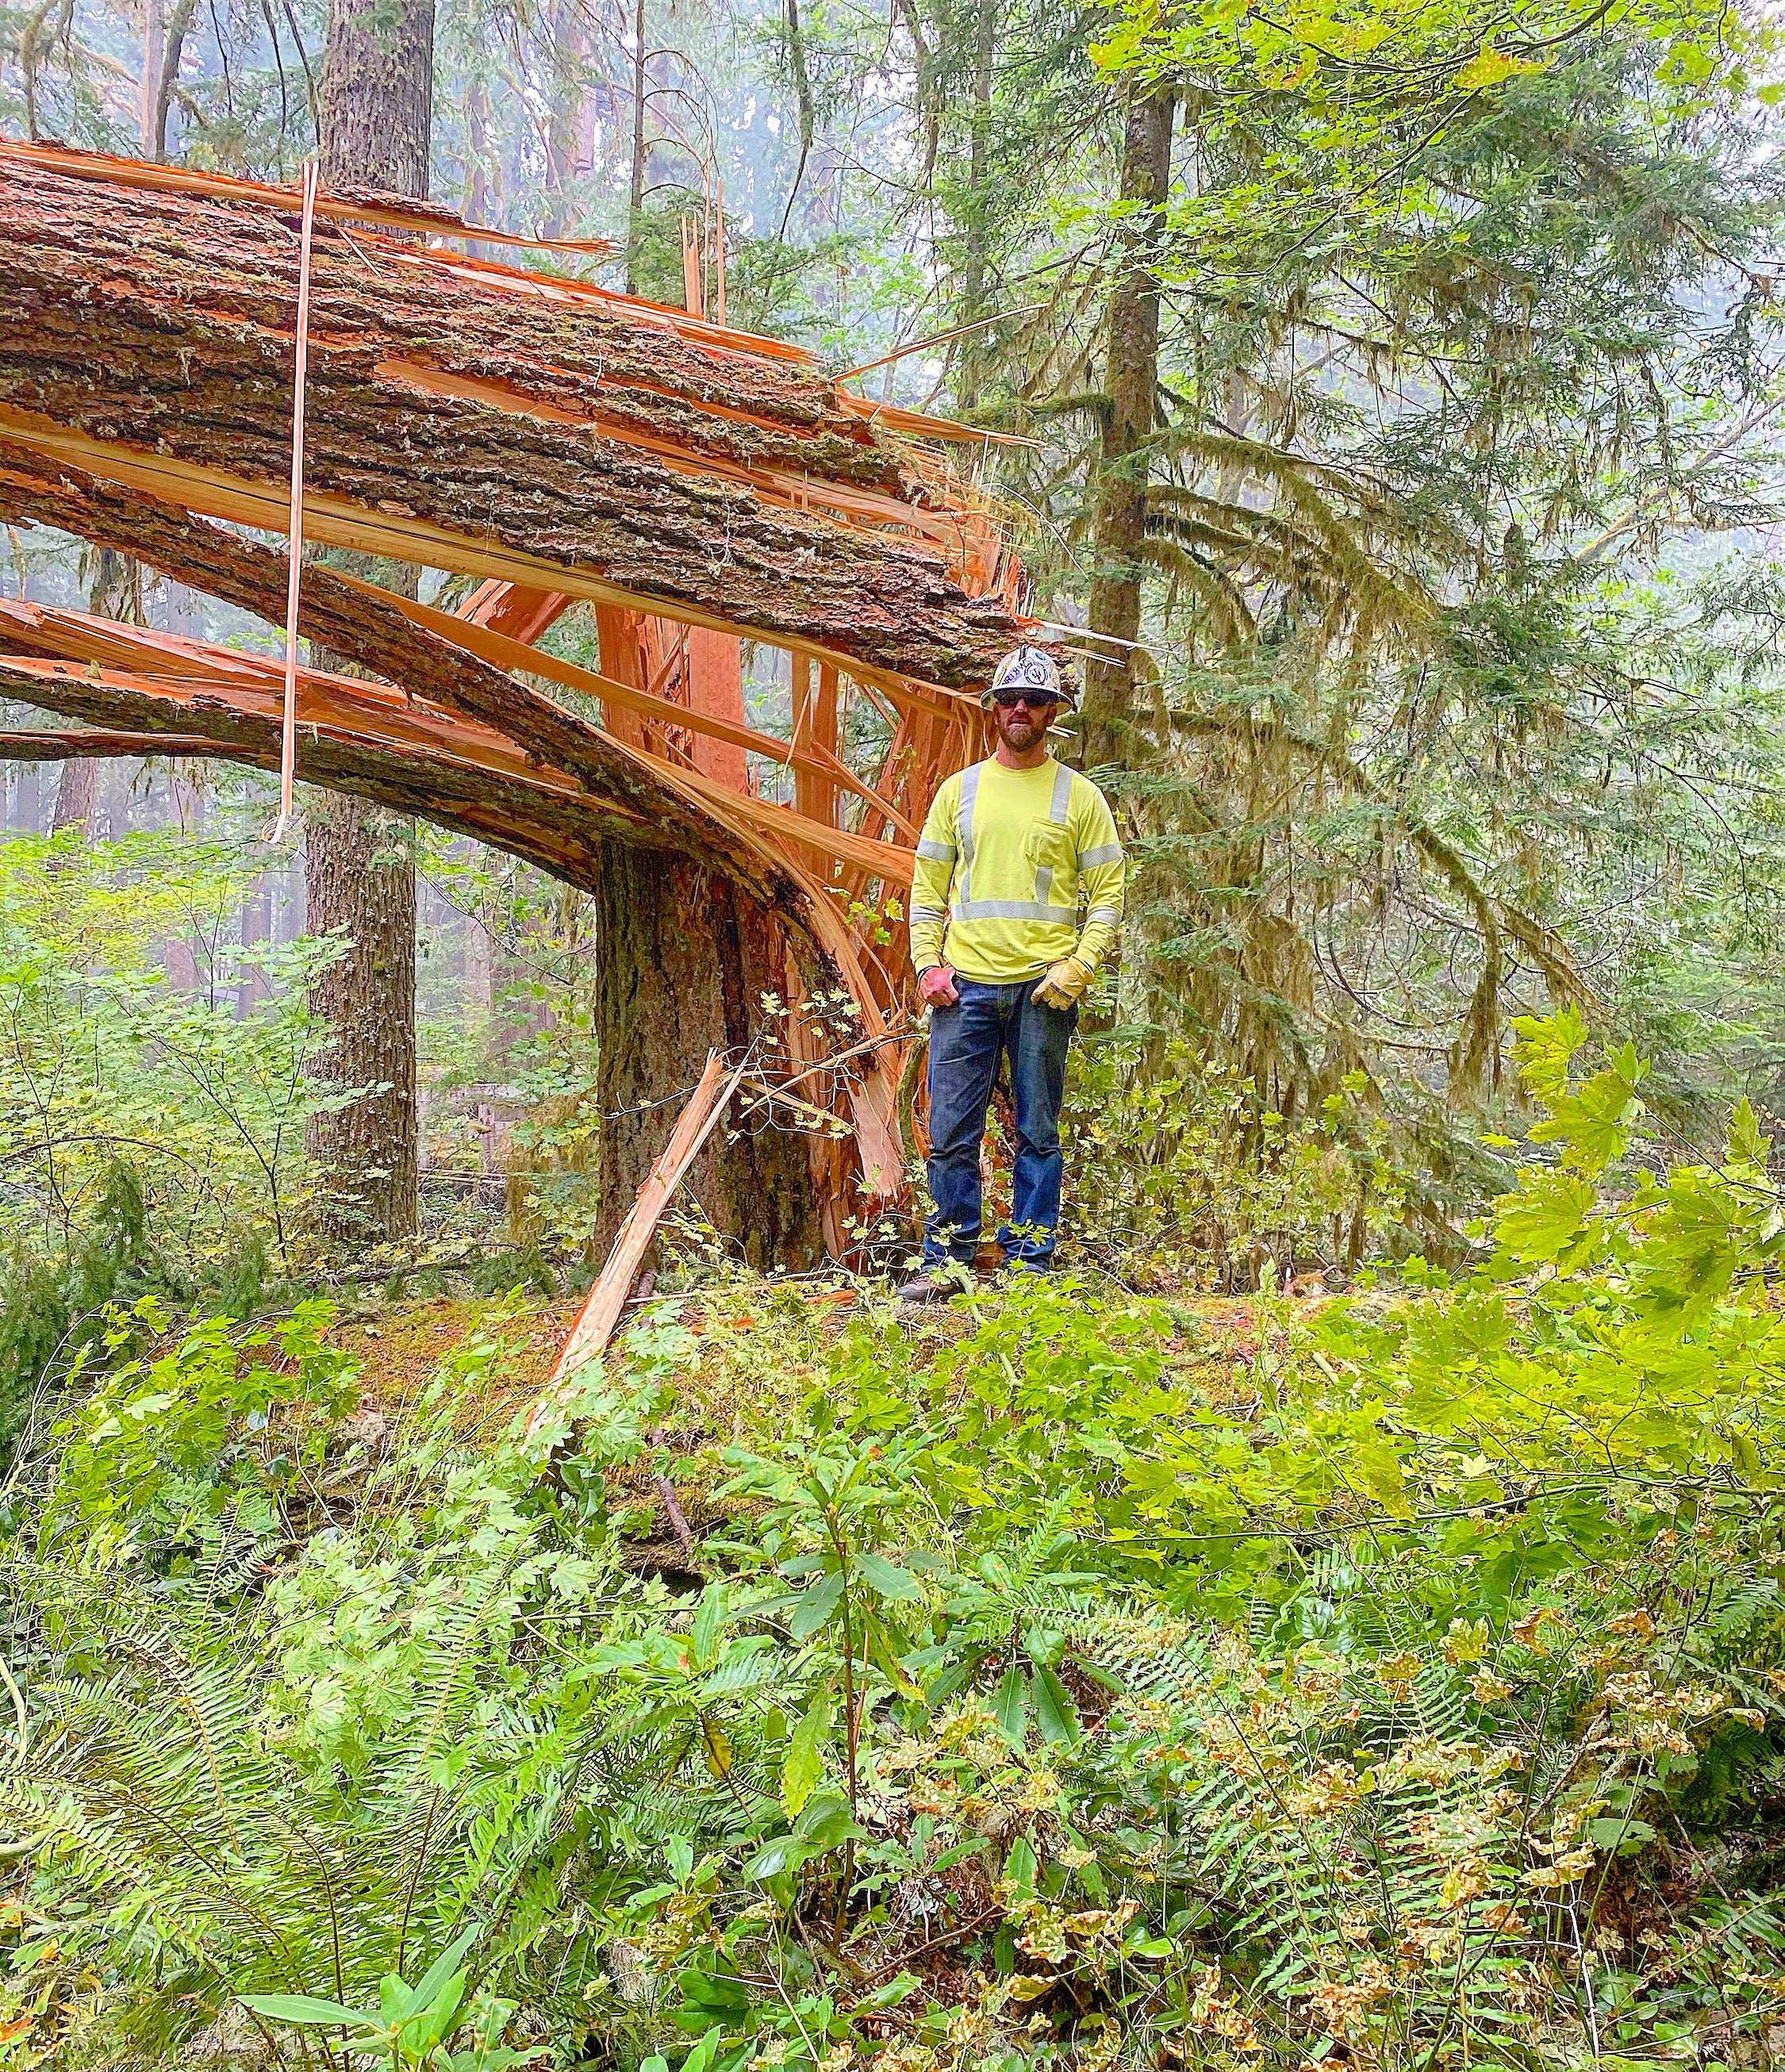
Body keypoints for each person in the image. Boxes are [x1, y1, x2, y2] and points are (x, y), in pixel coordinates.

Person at [899, 645, 1125, 1301]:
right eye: (1008, 698)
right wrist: (926, 966)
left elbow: (1109, 890)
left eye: (1032, 699)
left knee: (1038, 1131)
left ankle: (1030, 1266)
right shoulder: (958, 792)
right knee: (950, 1133)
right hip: (964, 988)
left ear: (1054, 712)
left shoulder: (1079, 797)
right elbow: (926, 886)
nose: (1019, 708)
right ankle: (947, 1263)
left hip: (1041, 992)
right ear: (993, 709)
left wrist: (1080, 965)